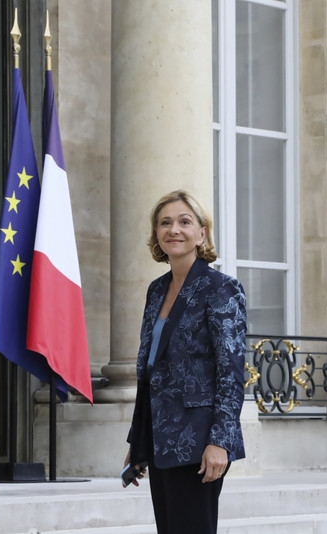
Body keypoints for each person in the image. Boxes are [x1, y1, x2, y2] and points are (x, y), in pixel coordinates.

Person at [123, 190, 247, 534]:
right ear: (156, 235)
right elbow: (149, 372)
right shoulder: (156, 289)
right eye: (165, 223)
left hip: (200, 440)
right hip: (161, 436)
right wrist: (138, 441)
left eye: (184, 221)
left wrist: (220, 441)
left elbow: (230, 372)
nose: (173, 229)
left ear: (201, 233)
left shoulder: (220, 288)